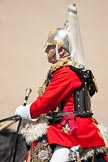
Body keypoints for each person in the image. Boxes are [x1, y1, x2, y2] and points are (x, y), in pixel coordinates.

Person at [15, 4, 108, 162]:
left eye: (50, 48)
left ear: (62, 50)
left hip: (72, 128)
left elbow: (46, 102)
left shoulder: (66, 72)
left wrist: (26, 111)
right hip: (62, 123)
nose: (46, 51)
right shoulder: (61, 69)